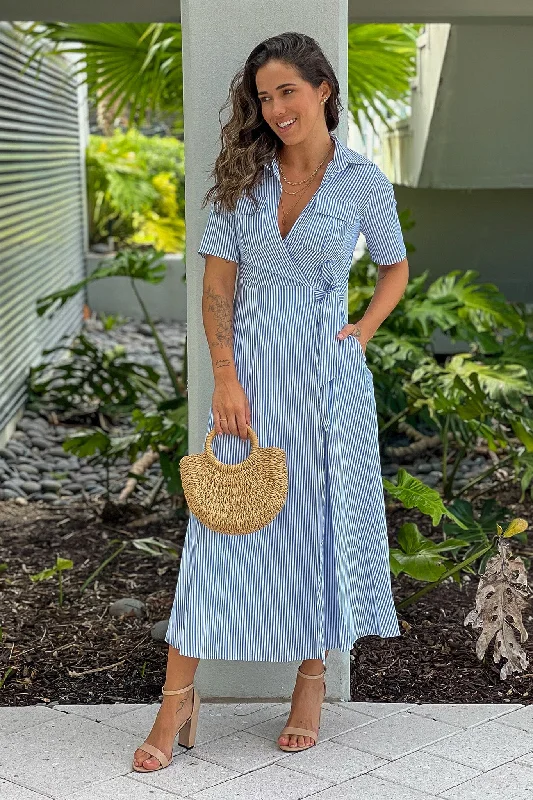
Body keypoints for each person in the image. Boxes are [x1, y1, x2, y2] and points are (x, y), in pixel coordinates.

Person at [132, 31, 409, 772]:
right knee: (219, 533)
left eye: (287, 90)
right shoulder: (242, 178)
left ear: (322, 88)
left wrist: (360, 332)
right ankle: (175, 700)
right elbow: (217, 287)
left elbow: (394, 266)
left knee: (315, 526)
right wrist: (224, 374)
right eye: (263, 96)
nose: (276, 107)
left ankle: (310, 680)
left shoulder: (361, 181)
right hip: (248, 379)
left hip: (325, 381)